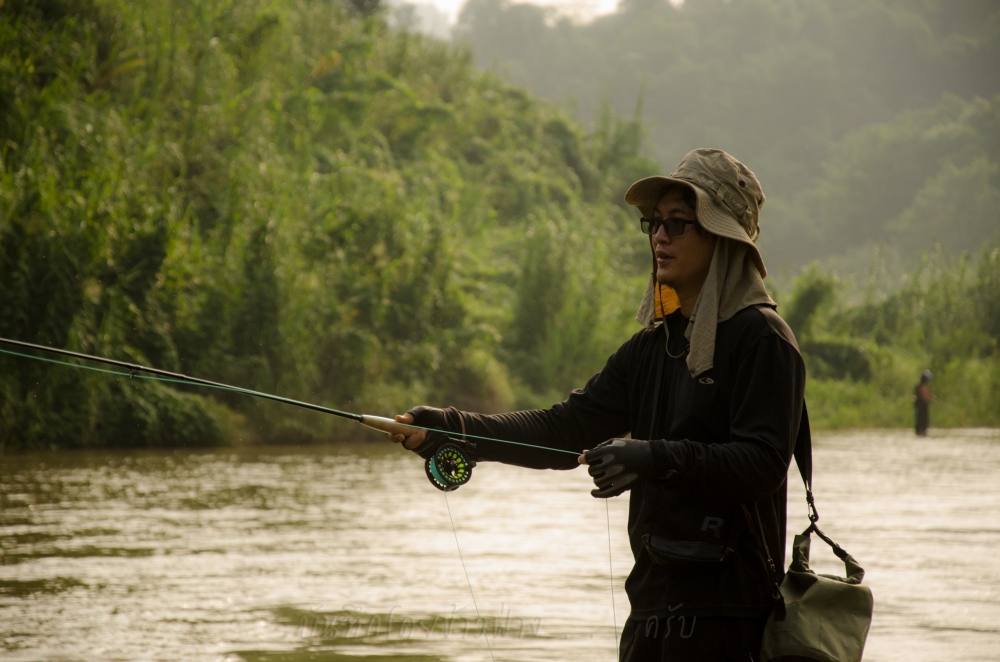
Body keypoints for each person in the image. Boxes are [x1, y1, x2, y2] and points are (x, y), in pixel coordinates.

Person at [391, 148, 808, 661]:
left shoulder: (763, 340)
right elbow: (566, 428)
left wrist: (653, 457)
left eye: (680, 224)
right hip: (650, 618)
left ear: (724, 238)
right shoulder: (653, 348)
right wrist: (456, 431)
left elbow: (761, 464)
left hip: (731, 626)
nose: (660, 237)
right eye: (655, 223)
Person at [914, 369, 933, 436]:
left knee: (920, 423)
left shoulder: (918, 386)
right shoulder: (922, 387)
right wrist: (930, 398)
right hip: (922, 408)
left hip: (919, 408)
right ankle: (922, 433)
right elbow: (925, 397)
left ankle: (920, 433)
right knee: (923, 424)